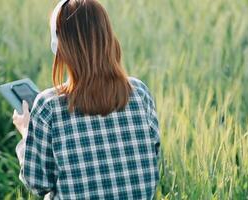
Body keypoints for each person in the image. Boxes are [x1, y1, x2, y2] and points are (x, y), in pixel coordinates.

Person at [12, 0, 160, 199]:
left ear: (58, 46)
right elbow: (153, 159)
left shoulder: (49, 106)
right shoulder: (140, 93)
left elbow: (37, 183)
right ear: (107, 36)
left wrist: (26, 133)